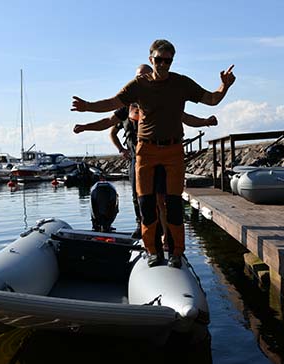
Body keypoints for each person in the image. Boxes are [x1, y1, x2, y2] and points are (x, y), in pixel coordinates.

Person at [72, 39, 235, 268]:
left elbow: (211, 99)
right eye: (159, 60)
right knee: (146, 204)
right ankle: (153, 252)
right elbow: (112, 104)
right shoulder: (138, 85)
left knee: (174, 204)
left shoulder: (181, 83)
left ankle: (176, 252)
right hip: (145, 150)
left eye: (168, 61)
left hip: (173, 150)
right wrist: (88, 106)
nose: (163, 65)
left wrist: (224, 86)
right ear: (151, 59)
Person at [74, 64, 217, 241]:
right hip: (137, 157)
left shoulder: (163, 102)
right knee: (140, 196)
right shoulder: (127, 106)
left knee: (162, 198)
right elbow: (107, 121)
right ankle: (142, 226)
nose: (141, 79)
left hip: (161, 154)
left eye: (145, 75)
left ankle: (166, 235)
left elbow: (187, 118)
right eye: (138, 76)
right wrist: (85, 126)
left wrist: (205, 122)